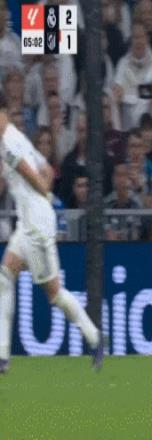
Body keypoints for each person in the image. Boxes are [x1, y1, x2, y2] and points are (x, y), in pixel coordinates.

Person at [0, 93, 104, 374]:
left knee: (54, 294)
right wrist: (40, 194)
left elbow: (30, 172)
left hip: (36, 224)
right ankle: (2, 355)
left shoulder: (8, 143)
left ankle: (94, 338)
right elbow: (46, 168)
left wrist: (42, 195)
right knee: (5, 276)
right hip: (28, 220)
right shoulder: (17, 136)